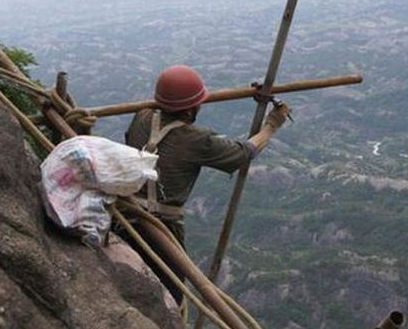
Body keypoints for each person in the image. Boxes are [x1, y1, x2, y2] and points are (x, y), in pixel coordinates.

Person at [115, 64, 291, 305]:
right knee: (171, 296)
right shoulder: (196, 140)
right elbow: (243, 153)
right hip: (161, 229)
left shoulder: (141, 117)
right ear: (192, 108)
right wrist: (271, 125)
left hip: (123, 218)